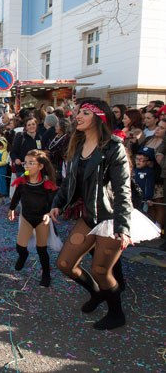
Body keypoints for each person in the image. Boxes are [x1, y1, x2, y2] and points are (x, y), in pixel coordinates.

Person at [49, 99, 132, 330]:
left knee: (100, 270)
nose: (78, 116)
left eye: (85, 112)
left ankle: (117, 314)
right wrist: (58, 203)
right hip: (88, 217)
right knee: (65, 263)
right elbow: (69, 181)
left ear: (99, 117)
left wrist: (123, 228)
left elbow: (122, 190)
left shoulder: (114, 147)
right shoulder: (78, 143)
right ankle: (97, 293)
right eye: (78, 112)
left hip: (111, 218)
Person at [9, 150, 58, 287]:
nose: (27, 166)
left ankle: (46, 275)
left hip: (42, 219)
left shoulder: (47, 184)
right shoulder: (23, 181)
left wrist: (49, 214)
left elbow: (53, 202)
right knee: (20, 246)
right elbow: (16, 196)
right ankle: (23, 256)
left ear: (40, 166)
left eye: (31, 163)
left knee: (41, 249)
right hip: (26, 217)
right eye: (26, 163)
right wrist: (11, 209)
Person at [133, 147, 155, 213]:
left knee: (142, 214)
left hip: (143, 200)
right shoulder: (133, 170)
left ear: (149, 162)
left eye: (142, 160)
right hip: (132, 198)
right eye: (137, 159)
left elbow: (149, 185)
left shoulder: (149, 172)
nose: (138, 161)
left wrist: (148, 198)